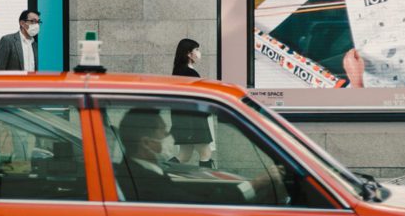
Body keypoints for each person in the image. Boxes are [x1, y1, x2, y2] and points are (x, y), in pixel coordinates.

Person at [116, 108, 287, 205]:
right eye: (163, 131)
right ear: (146, 143)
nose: (169, 136)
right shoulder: (145, 181)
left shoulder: (142, 171)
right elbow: (203, 206)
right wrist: (256, 184)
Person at [169, 38, 214, 167]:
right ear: (189, 54)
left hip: (183, 120)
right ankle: (207, 185)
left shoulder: (178, 71)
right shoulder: (190, 73)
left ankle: (163, 173)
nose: (199, 53)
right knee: (205, 153)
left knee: (184, 155)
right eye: (197, 50)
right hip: (194, 120)